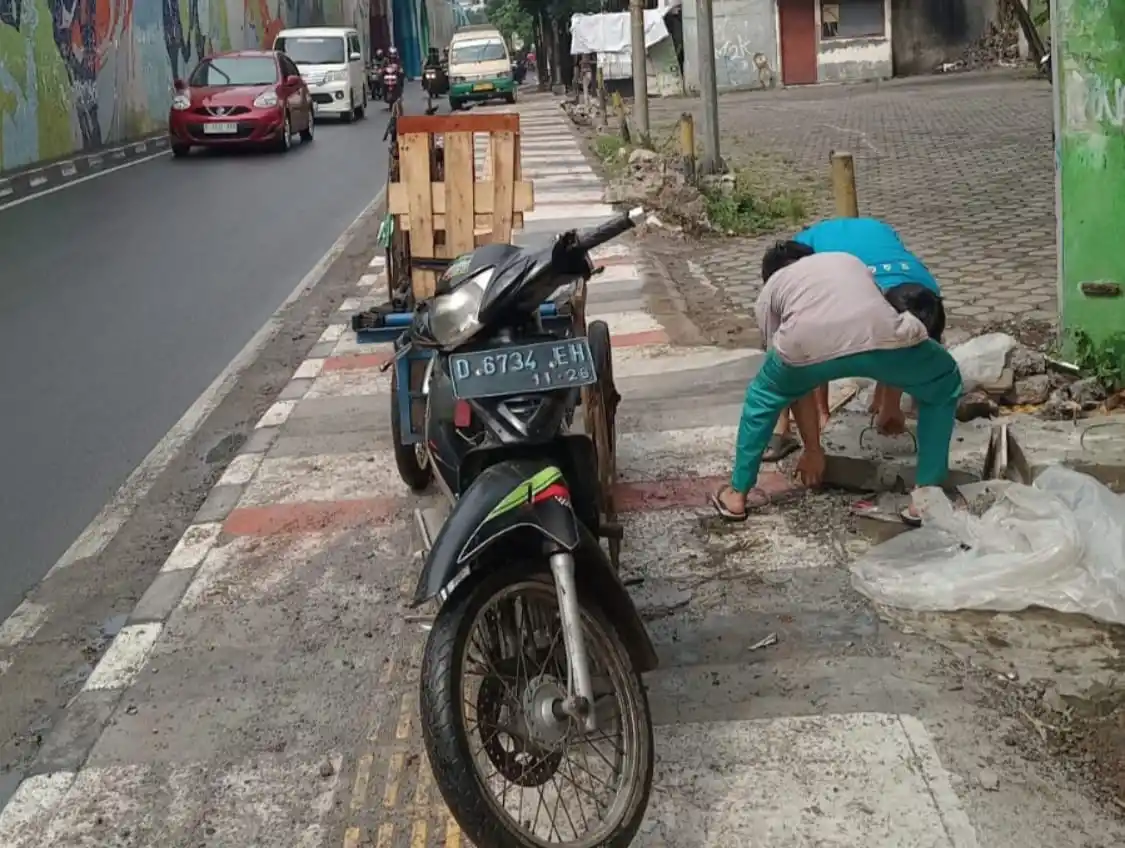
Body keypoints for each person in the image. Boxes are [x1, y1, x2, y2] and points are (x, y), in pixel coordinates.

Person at [711, 242, 962, 526]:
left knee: (762, 399)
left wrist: (813, 450)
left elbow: (792, 382)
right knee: (944, 382)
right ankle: (926, 495)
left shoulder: (769, 292)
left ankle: (736, 494)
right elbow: (879, 325)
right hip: (877, 334)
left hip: (802, 347)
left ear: (768, 275)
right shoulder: (846, 259)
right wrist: (890, 403)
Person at [763, 217, 947, 461]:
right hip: (828, 249)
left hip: (876, 246)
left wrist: (896, 404)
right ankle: (782, 427)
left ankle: (889, 402)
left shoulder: (924, 293)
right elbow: (811, 341)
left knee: (896, 343)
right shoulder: (829, 274)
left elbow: (914, 345)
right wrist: (822, 417)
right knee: (796, 343)